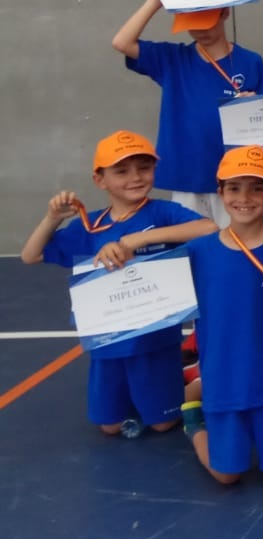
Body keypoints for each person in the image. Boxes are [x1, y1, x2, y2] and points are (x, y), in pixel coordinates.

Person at [21, 131, 216, 438]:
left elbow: (209, 227)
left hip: (156, 341)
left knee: (162, 424)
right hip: (108, 341)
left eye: (144, 168)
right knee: (109, 426)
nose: (135, 177)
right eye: (122, 171)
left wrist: (138, 239)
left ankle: (193, 383)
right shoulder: (90, 225)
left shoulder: (162, 212)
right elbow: (30, 255)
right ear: (100, 180)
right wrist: (52, 218)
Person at [179, 147, 263, 485]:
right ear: (221, 192)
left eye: (257, 187)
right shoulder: (198, 251)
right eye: (234, 187)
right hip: (224, 377)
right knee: (226, 476)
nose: (245, 198)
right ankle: (195, 424)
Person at [112, 0, 263, 225]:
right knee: (189, 248)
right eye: (192, 25)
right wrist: (157, 0)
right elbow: (121, 43)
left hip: (235, 176)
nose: (200, 32)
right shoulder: (172, 58)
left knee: (233, 245)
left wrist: (254, 107)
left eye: (206, 23)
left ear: (225, 13)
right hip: (186, 175)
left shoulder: (251, 62)